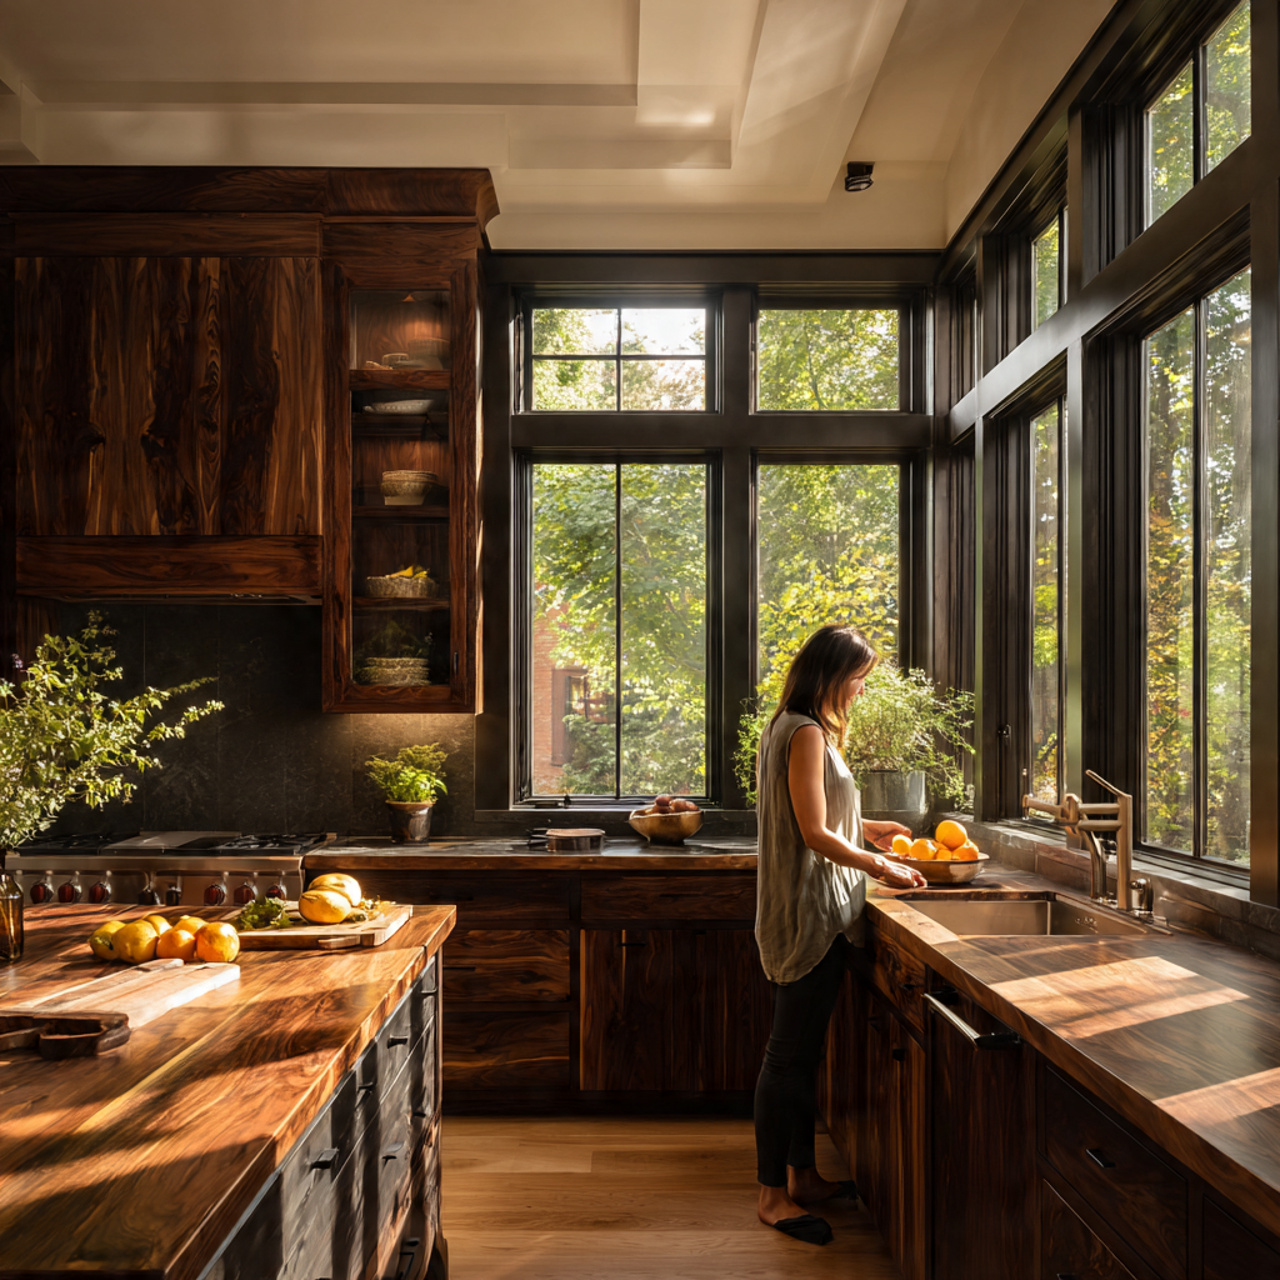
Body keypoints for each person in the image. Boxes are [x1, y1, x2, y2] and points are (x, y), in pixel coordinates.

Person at [753, 623, 928, 1246]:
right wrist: (883, 864)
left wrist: (871, 825)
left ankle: (802, 1178)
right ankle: (772, 1195)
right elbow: (813, 834)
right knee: (787, 1058)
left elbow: (823, 813)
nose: (860, 690)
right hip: (809, 914)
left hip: (814, 911)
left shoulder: (796, 726)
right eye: (857, 678)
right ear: (831, 675)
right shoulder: (804, 733)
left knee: (802, 1058)